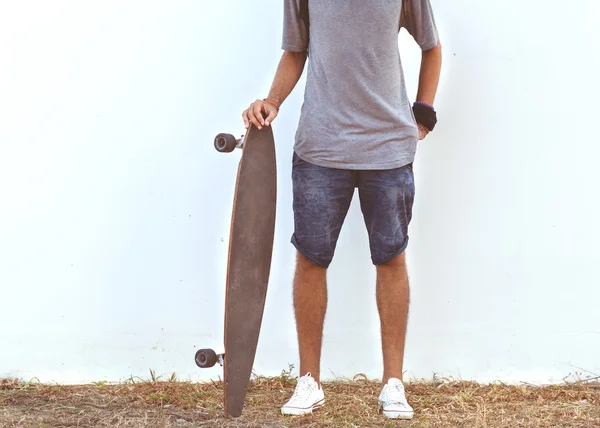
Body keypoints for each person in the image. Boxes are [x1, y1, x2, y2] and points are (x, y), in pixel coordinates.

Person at [242, 0, 442, 420]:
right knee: (311, 260)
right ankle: (309, 381)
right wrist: (273, 100)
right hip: (320, 146)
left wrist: (423, 112)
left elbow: (432, 45)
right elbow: (296, 50)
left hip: (387, 149)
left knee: (391, 259)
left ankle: (393, 384)